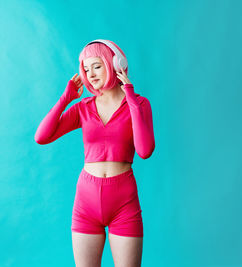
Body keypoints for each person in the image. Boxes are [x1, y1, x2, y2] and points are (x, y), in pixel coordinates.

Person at [34, 39, 155, 267]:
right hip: (85, 203)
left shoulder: (139, 104)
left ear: (115, 64)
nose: (90, 74)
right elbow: (41, 137)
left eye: (96, 66)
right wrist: (65, 99)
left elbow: (145, 150)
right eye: (86, 69)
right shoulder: (83, 108)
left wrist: (130, 97)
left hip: (124, 203)